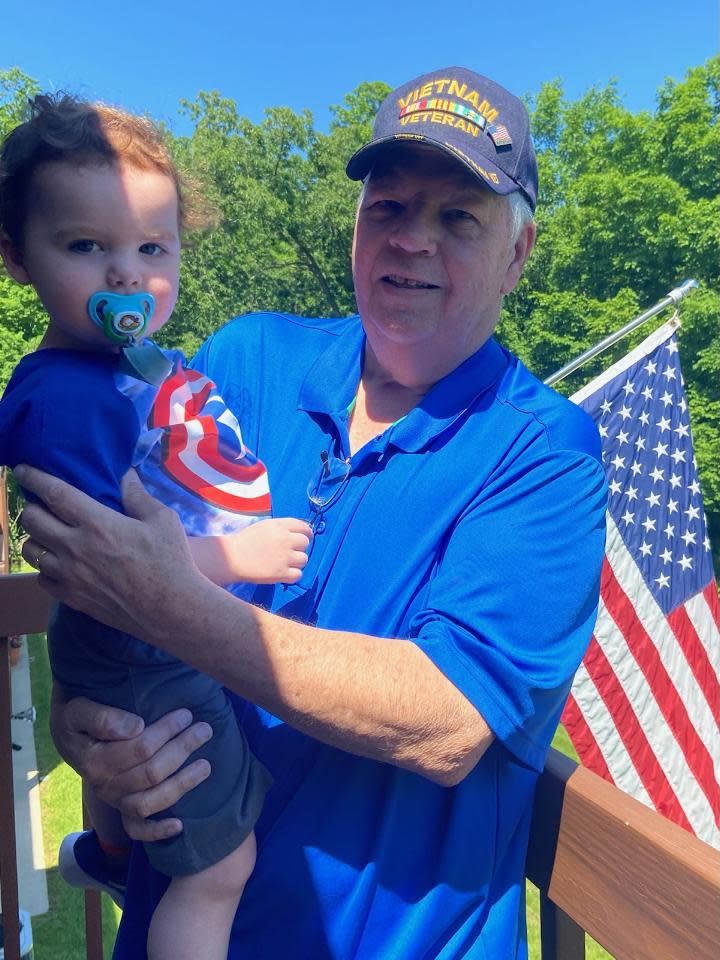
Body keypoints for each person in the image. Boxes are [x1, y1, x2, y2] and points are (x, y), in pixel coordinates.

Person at [16, 67, 608, 959]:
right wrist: (90, 733)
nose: (412, 240)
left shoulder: (546, 454)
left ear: (518, 254)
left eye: (458, 217)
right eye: (390, 207)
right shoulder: (245, 357)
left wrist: (170, 600)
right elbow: (104, 583)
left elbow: (447, 718)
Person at [0, 95, 312, 960]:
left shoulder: (113, 368)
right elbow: (112, 565)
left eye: (151, 248)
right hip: (149, 646)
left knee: (152, 809)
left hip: (137, 648)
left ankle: (103, 850)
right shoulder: (68, 398)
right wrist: (234, 554)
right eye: (86, 246)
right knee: (217, 871)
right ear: (17, 257)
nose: (126, 275)